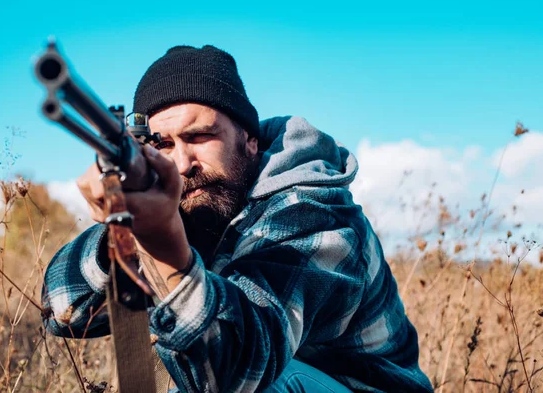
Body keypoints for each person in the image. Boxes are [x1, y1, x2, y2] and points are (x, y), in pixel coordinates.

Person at [42, 45, 433, 392]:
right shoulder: (194, 209)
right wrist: (121, 234)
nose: (182, 164)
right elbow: (62, 312)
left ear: (249, 141)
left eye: (199, 136)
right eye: (162, 145)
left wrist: (165, 248)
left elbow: (239, 372)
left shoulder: (314, 212)